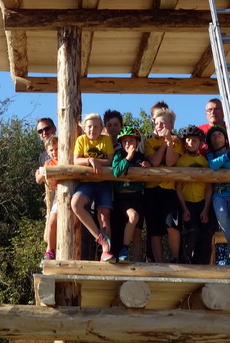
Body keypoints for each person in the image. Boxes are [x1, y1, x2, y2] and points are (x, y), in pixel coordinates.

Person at [70, 113, 115, 259]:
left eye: (96, 126)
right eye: (89, 126)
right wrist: (90, 160)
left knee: (104, 215)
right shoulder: (81, 140)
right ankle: (101, 239)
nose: (92, 130)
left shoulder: (106, 140)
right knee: (76, 204)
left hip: (104, 183)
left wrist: (94, 161)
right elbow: (76, 161)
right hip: (88, 182)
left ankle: (106, 251)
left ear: (101, 128)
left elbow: (110, 161)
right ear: (84, 128)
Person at [142, 108, 182, 261]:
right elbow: (155, 161)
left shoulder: (178, 142)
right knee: (154, 230)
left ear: (171, 126)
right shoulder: (148, 142)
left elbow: (171, 163)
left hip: (169, 190)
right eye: (157, 124)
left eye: (163, 124)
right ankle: (159, 263)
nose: (159, 127)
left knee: (172, 225)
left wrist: (170, 142)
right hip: (151, 190)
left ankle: (175, 258)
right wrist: (165, 143)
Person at [111, 127, 151, 262]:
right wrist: (128, 157)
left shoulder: (140, 157)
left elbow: (146, 175)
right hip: (122, 198)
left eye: (131, 141)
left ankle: (138, 262)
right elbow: (116, 172)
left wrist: (146, 166)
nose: (128, 144)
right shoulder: (118, 155)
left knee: (138, 233)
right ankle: (123, 249)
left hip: (138, 196)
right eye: (124, 141)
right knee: (133, 217)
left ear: (137, 142)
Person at [174, 126, 211, 264]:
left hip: (201, 202)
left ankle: (200, 262)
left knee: (205, 234)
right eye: (188, 140)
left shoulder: (204, 162)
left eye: (195, 140)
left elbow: (208, 187)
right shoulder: (181, 161)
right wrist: (184, 208)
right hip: (187, 202)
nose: (191, 143)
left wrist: (206, 209)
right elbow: (178, 187)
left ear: (200, 143)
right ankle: (185, 258)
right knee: (192, 231)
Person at [205, 126, 230, 263]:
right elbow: (212, 165)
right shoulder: (210, 155)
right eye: (213, 135)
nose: (216, 136)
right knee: (221, 216)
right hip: (218, 195)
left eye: (219, 134)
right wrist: (226, 158)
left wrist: (222, 163)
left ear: (226, 138)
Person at [35, 128, 60, 260]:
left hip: (67, 193)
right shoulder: (48, 163)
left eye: (57, 149)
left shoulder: (66, 160)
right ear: (47, 152)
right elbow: (39, 179)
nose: (54, 152)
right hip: (57, 196)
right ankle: (50, 250)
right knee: (51, 222)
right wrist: (42, 173)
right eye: (51, 150)